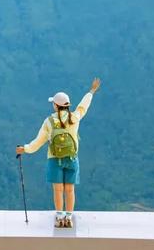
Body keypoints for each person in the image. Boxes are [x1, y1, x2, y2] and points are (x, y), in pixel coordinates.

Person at [16, 78, 101, 228]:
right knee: (70, 189)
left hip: (54, 159)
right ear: (67, 106)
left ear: (56, 106)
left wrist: (25, 149)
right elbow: (83, 107)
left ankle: (60, 216)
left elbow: (38, 141)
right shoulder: (74, 118)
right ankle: (68, 218)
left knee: (58, 189)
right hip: (72, 159)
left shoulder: (49, 121)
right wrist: (91, 91)